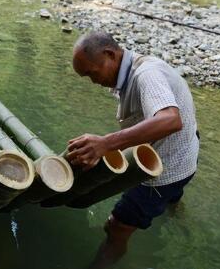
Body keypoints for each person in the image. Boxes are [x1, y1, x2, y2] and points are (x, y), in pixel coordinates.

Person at [67, 31, 199, 268]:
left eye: (92, 73)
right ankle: (174, 208)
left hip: (166, 170)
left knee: (116, 227)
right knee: (173, 194)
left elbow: (170, 120)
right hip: (188, 151)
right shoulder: (132, 70)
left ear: (110, 54)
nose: (93, 81)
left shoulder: (146, 75)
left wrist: (105, 143)